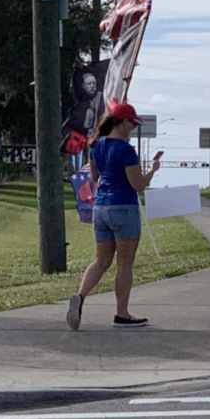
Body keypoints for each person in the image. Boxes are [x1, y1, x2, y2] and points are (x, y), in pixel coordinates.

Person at [66, 101, 160, 330]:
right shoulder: (126, 151)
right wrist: (152, 171)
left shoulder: (96, 146)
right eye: (133, 124)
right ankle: (122, 314)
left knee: (101, 261)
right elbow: (137, 185)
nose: (134, 128)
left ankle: (80, 295)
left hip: (100, 208)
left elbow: (95, 178)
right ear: (123, 122)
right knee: (124, 264)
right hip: (123, 207)